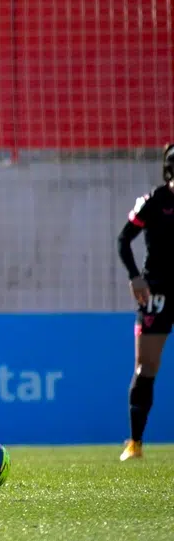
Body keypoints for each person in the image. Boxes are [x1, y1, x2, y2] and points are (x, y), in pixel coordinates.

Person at [116, 143, 174, 461]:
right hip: (157, 292)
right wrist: (135, 276)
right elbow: (124, 238)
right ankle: (135, 443)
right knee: (146, 366)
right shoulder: (155, 202)